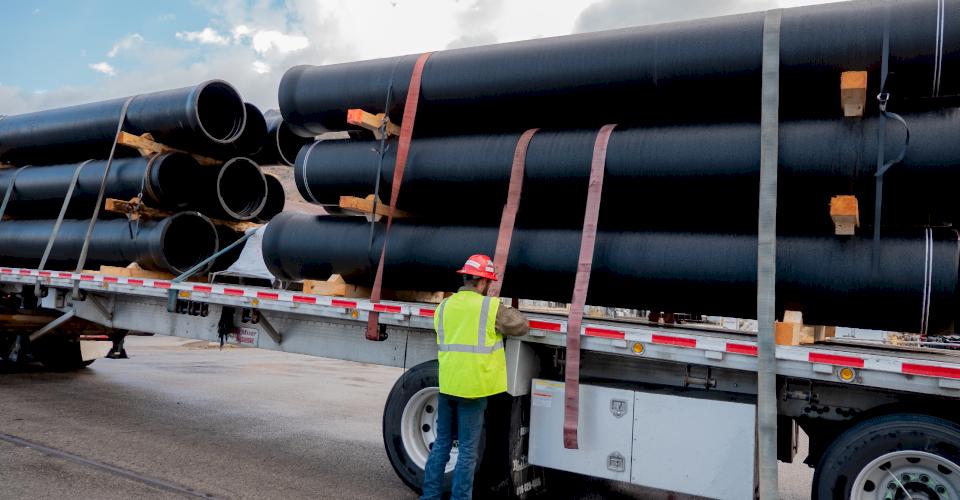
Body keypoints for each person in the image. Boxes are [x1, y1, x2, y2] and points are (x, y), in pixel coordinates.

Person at [420, 254, 529, 500]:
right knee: (468, 451)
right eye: (489, 282)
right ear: (482, 282)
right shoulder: (490, 307)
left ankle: (429, 496)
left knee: (442, 445)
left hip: (448, 386)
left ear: (466, 278)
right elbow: (522, 326)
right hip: (474, 389)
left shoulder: (444, 306)